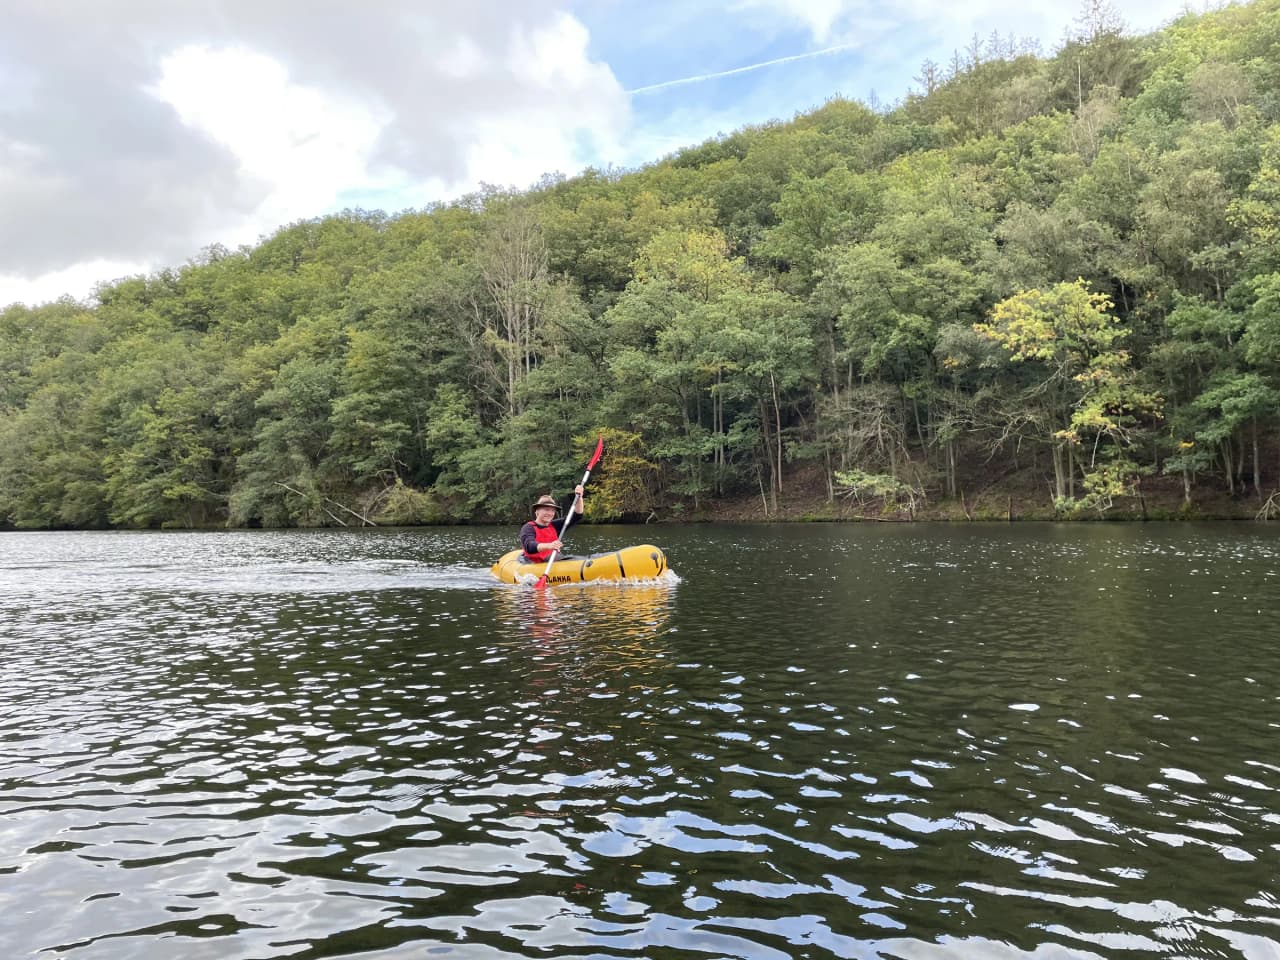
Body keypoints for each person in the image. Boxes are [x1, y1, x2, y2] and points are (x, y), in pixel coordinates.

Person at [519, 484, 585, 563]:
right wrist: (549, 545)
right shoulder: (528, 527)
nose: (550, 513)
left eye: (552, 510)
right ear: (537, 511)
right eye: (546, 509)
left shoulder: (554, 525)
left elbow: (577, 516)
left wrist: (579, 498)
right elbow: (529, 546)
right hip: (537, 564)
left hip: (555, 559)